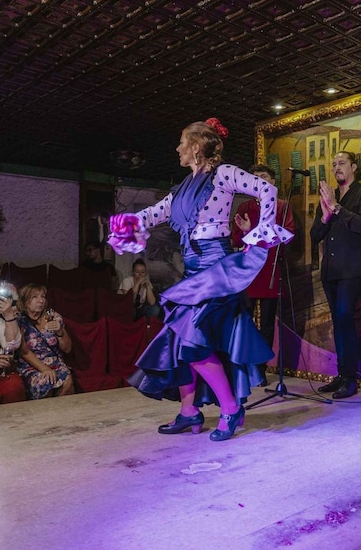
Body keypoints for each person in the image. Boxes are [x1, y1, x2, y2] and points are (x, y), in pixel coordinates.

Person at [108, 118, 292, 441]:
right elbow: (158, 212)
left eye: (182, 142)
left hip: (215, 267)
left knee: (191, 340)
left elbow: (267, 188)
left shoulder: (222, 174)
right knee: (179, 340)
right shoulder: (182, 188)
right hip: (194, 270)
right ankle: (190, 411)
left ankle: (231, 408)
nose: (177, 148)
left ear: (195, 147)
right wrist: (130, 222)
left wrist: (263, 227)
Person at [310, 151, 361, 399]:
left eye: (341, 163)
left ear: (354, 167)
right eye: (334, 164)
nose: (336, 167)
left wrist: (336, 208)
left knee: (344, 318)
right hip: (331, 270)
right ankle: (341, 374)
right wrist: (326, 216)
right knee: (338, 323)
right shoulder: (330, 197)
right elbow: (315, 234)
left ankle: (350, 378)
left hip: (353, 268)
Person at [231, 164, 295, 384]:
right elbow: (235, 239)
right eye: (254, 178)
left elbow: (288, 235)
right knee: (245, 321)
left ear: (273, 182)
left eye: (263, 177)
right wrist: (247, 232)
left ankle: (260, 369)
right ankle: (245, 368)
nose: (258, 181)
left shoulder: (282, 206)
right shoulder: (245, 206)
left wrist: (257, 234)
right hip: (248, 272)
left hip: (271, 269)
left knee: (267, 323)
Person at [15, 284, 74, 399]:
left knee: (67, 379)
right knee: (44, 382)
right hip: (31, 365)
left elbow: (67, 348)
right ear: (25, 301)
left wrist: (60, 332)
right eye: (35, 297)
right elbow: (23, 351)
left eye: (42, 296)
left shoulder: (53, 316)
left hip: (55, 363)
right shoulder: (18, 320)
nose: (41, 300)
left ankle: (64, 414)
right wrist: (44, 368)